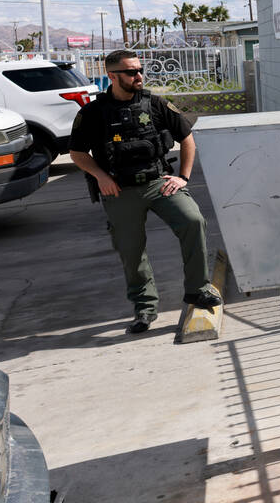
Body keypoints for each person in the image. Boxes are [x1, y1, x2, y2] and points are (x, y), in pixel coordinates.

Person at [70, 50, 222, 334]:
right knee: (131, 250)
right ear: (112, 76)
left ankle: (197, 289)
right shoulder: (92, 113)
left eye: (140, 70)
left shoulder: (155, 103)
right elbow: (77, 153)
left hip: (158, 182)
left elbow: (187, 139)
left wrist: (183, 178)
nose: (138, 76)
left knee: (193, 221)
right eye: (131, 72)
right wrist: (101, 176)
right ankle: (145, 307)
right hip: (119, 189)